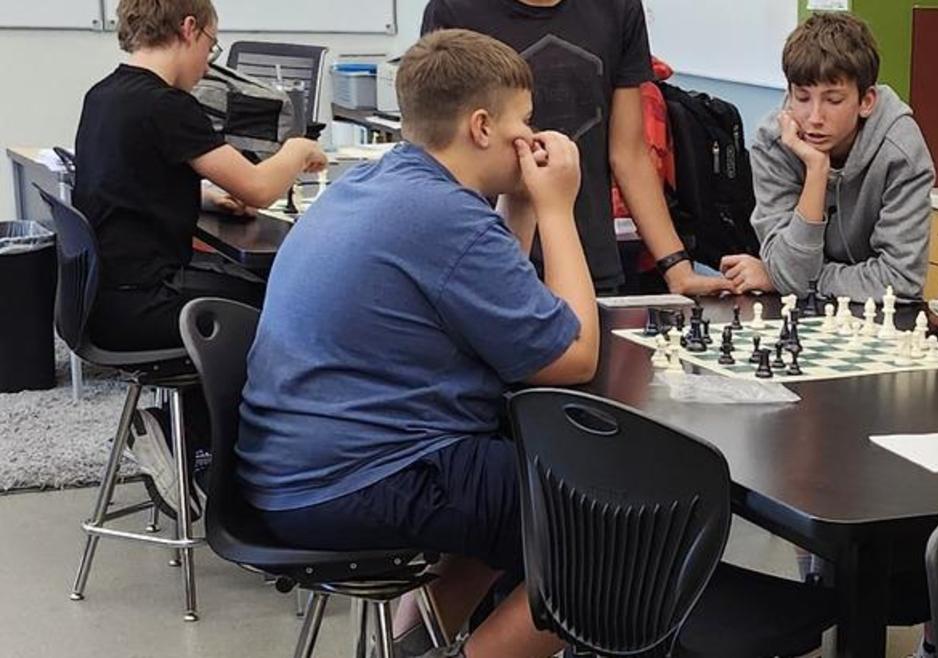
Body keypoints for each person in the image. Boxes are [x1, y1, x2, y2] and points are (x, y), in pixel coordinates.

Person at [240, 30, 601, 658]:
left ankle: (406, 648)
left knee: (514, 486)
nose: (532, 135)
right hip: (357, 479)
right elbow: (572, 356)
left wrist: (517, 207)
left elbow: (497, 308)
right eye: (526, 119)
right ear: (483, 126)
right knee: (610, 528)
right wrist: (557, 209)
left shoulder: (385, 184)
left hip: (296, 468)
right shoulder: (444, 217)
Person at [73, 0, 327, 511]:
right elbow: (258, 188)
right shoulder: (167, 105)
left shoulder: (105, 94)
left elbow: (126, 180)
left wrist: (206, 197)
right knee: (282, 311)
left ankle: (186, 439)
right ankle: (207, 455)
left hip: (105, 301)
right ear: (188, 29)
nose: (209, 63)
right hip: (144, 304)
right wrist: (297, 151)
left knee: (244, 290)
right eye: (211, 45)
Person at [423, 0, 735, 297]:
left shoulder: (618, 8)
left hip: (588, 262)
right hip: (486, 261)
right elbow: (443, 157)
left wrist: (676, 267)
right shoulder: (454, 10)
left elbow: (630, 155)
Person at [721, 11, 936, 300]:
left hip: (880, 323)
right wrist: (816, 170)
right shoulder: (773, 143)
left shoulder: (901, 150)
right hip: (809, 316)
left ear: (866, 101)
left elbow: (900, 280)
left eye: (833, 100)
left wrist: (793, 279)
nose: (814, 117)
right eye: (802, 97)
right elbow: (793, 274)